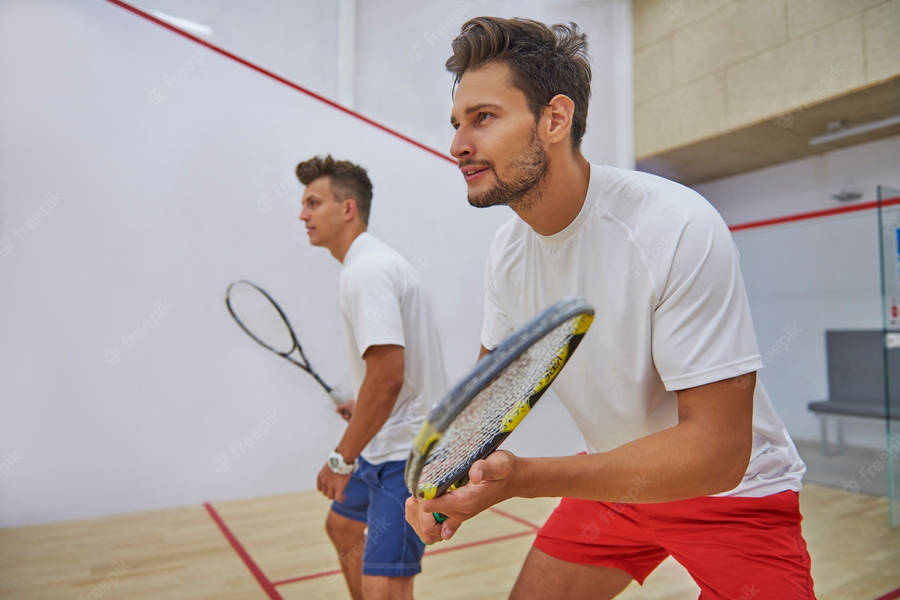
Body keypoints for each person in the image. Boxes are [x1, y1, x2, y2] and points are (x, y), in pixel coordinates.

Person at [405, 17, 814, 600]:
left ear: (555, 119)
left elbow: (719, 453)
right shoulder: (508, 252)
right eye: (456, 124)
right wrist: (445, 481)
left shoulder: (676, 224)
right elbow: (486, 402)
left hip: (734, 496)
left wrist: (523, 479)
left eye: (483, 118)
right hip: (617, 485)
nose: (457, 145)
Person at [297, 155, 447, 600]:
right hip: (387, 443)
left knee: (386, 586)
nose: (302, 214)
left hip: (407, 454)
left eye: (313, 202)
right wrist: (362, 413)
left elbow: (387, 378)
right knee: (343, 526)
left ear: (347, 209)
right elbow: (385, 379)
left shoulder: (368, 272)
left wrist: (342, 458)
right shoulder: (369, 266)